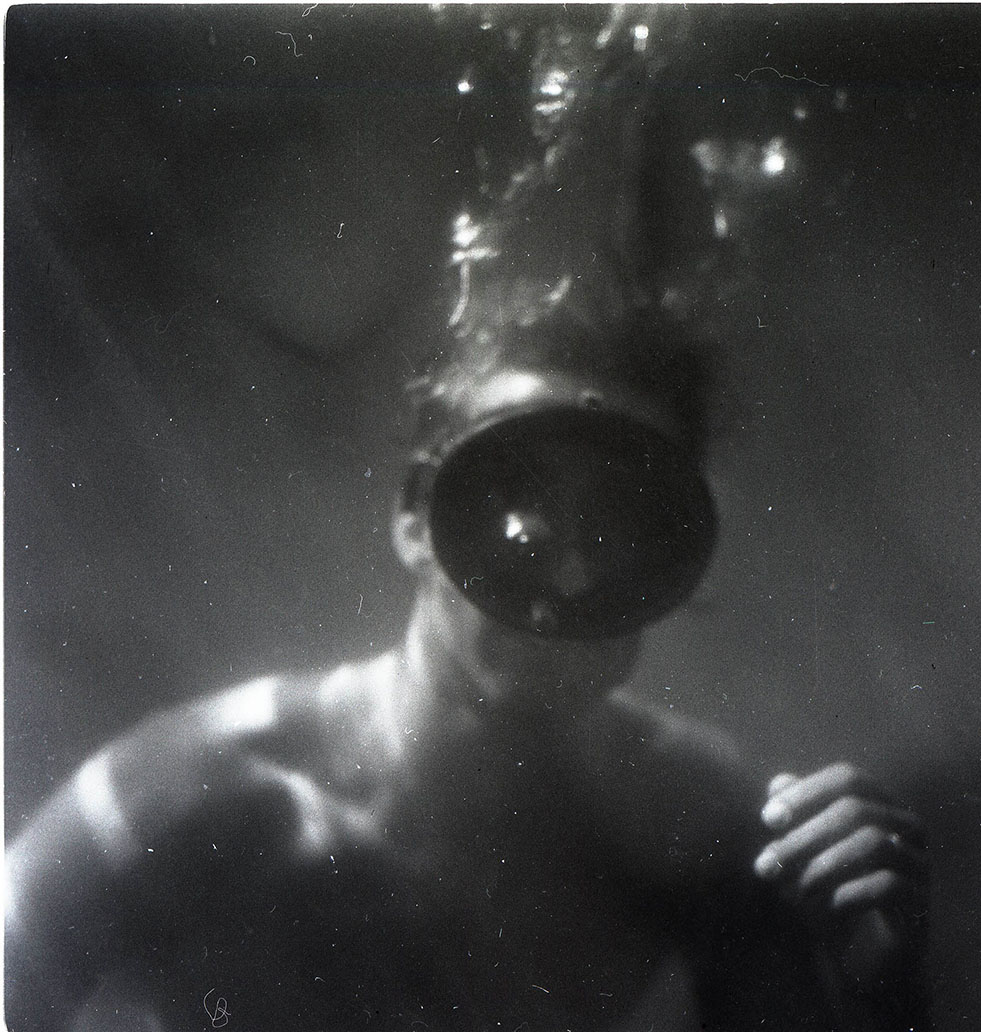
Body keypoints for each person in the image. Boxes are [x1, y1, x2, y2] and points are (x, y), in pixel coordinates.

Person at [5, 274, 928, 1032]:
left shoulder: (716, 837)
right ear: (417, 519)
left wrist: (880, 997)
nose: (568, 575)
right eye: (518, 516)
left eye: (620, 529)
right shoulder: (182, 799)